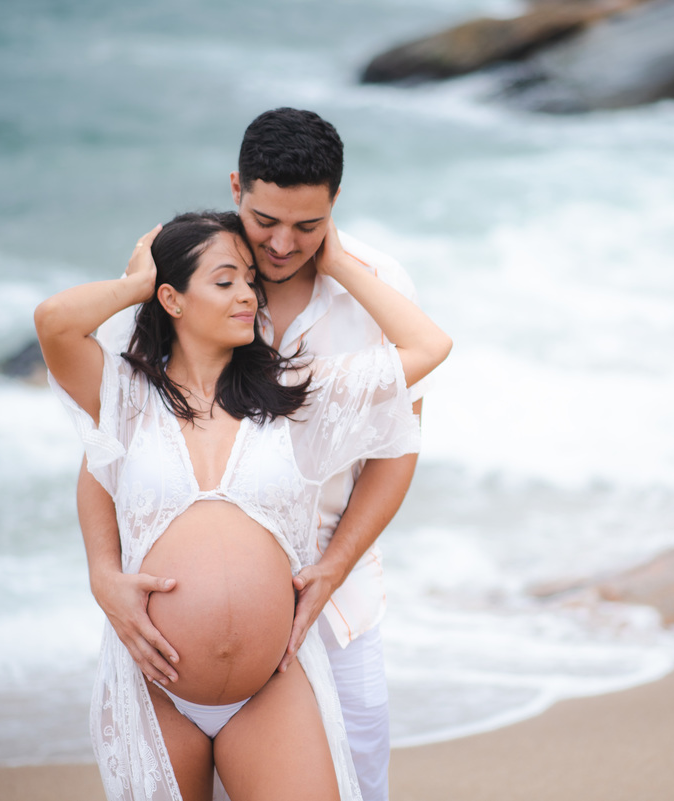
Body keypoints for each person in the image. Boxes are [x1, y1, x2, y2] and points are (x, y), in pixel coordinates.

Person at [36, 211, 450, 801]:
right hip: (154, 687)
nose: (249, 296)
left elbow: (429, 345)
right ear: (172, 299)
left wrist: (337, 264)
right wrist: (137, 284)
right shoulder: (123, 395)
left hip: (271, 687)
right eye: (226, 281)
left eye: (251, 282)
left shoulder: (296, 395)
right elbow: (53, 323)